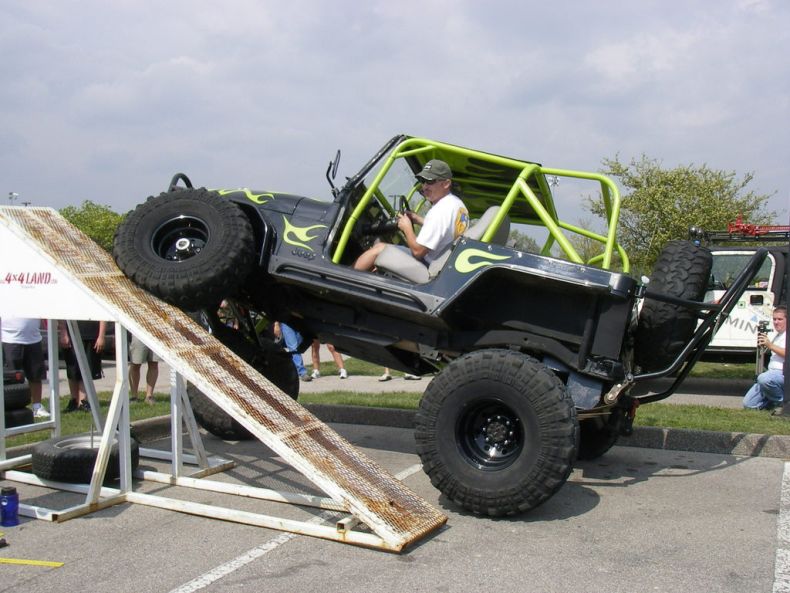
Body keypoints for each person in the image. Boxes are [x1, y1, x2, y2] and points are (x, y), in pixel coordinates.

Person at [353, 159, 469, 273]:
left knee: (379, 249)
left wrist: (407, 227)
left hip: (427, 266)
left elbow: (418, 252)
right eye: (422, 181)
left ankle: (345, 276)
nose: (424, 187)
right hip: (442, 264)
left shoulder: (439, 211)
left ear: (446, 184)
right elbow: (444, 228)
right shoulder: (456, 204)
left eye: (430, 181)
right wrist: (418, 219)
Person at [1, 317, 50, 418]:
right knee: (11, 379)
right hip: (9, 339)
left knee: (36, 376)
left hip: (34, 339)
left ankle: (37, 407)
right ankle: (10, 408)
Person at [743, 305, 786, 410]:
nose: (776, 322)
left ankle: (784, 404)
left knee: (764, 378)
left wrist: (770, 345)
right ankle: (773, 405)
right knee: (749, 404)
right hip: (772, 374)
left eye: (780, 319)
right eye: (774, 319)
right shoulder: (778, 335)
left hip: (783, 373)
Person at [59, 320, 106, 412]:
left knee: (87, 368)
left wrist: (101, 336)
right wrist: (63, 332)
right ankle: (74, 400)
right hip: (71, 333)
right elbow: (63, 315)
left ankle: (83, 401)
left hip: (91, 335)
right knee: (72, 369)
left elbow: (103, 317)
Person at [128, 333, 159, 405]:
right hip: (138, 332)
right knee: (135, 363)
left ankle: (149, 396)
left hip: (155, 333)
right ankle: (134, 396)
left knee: (154, 363)